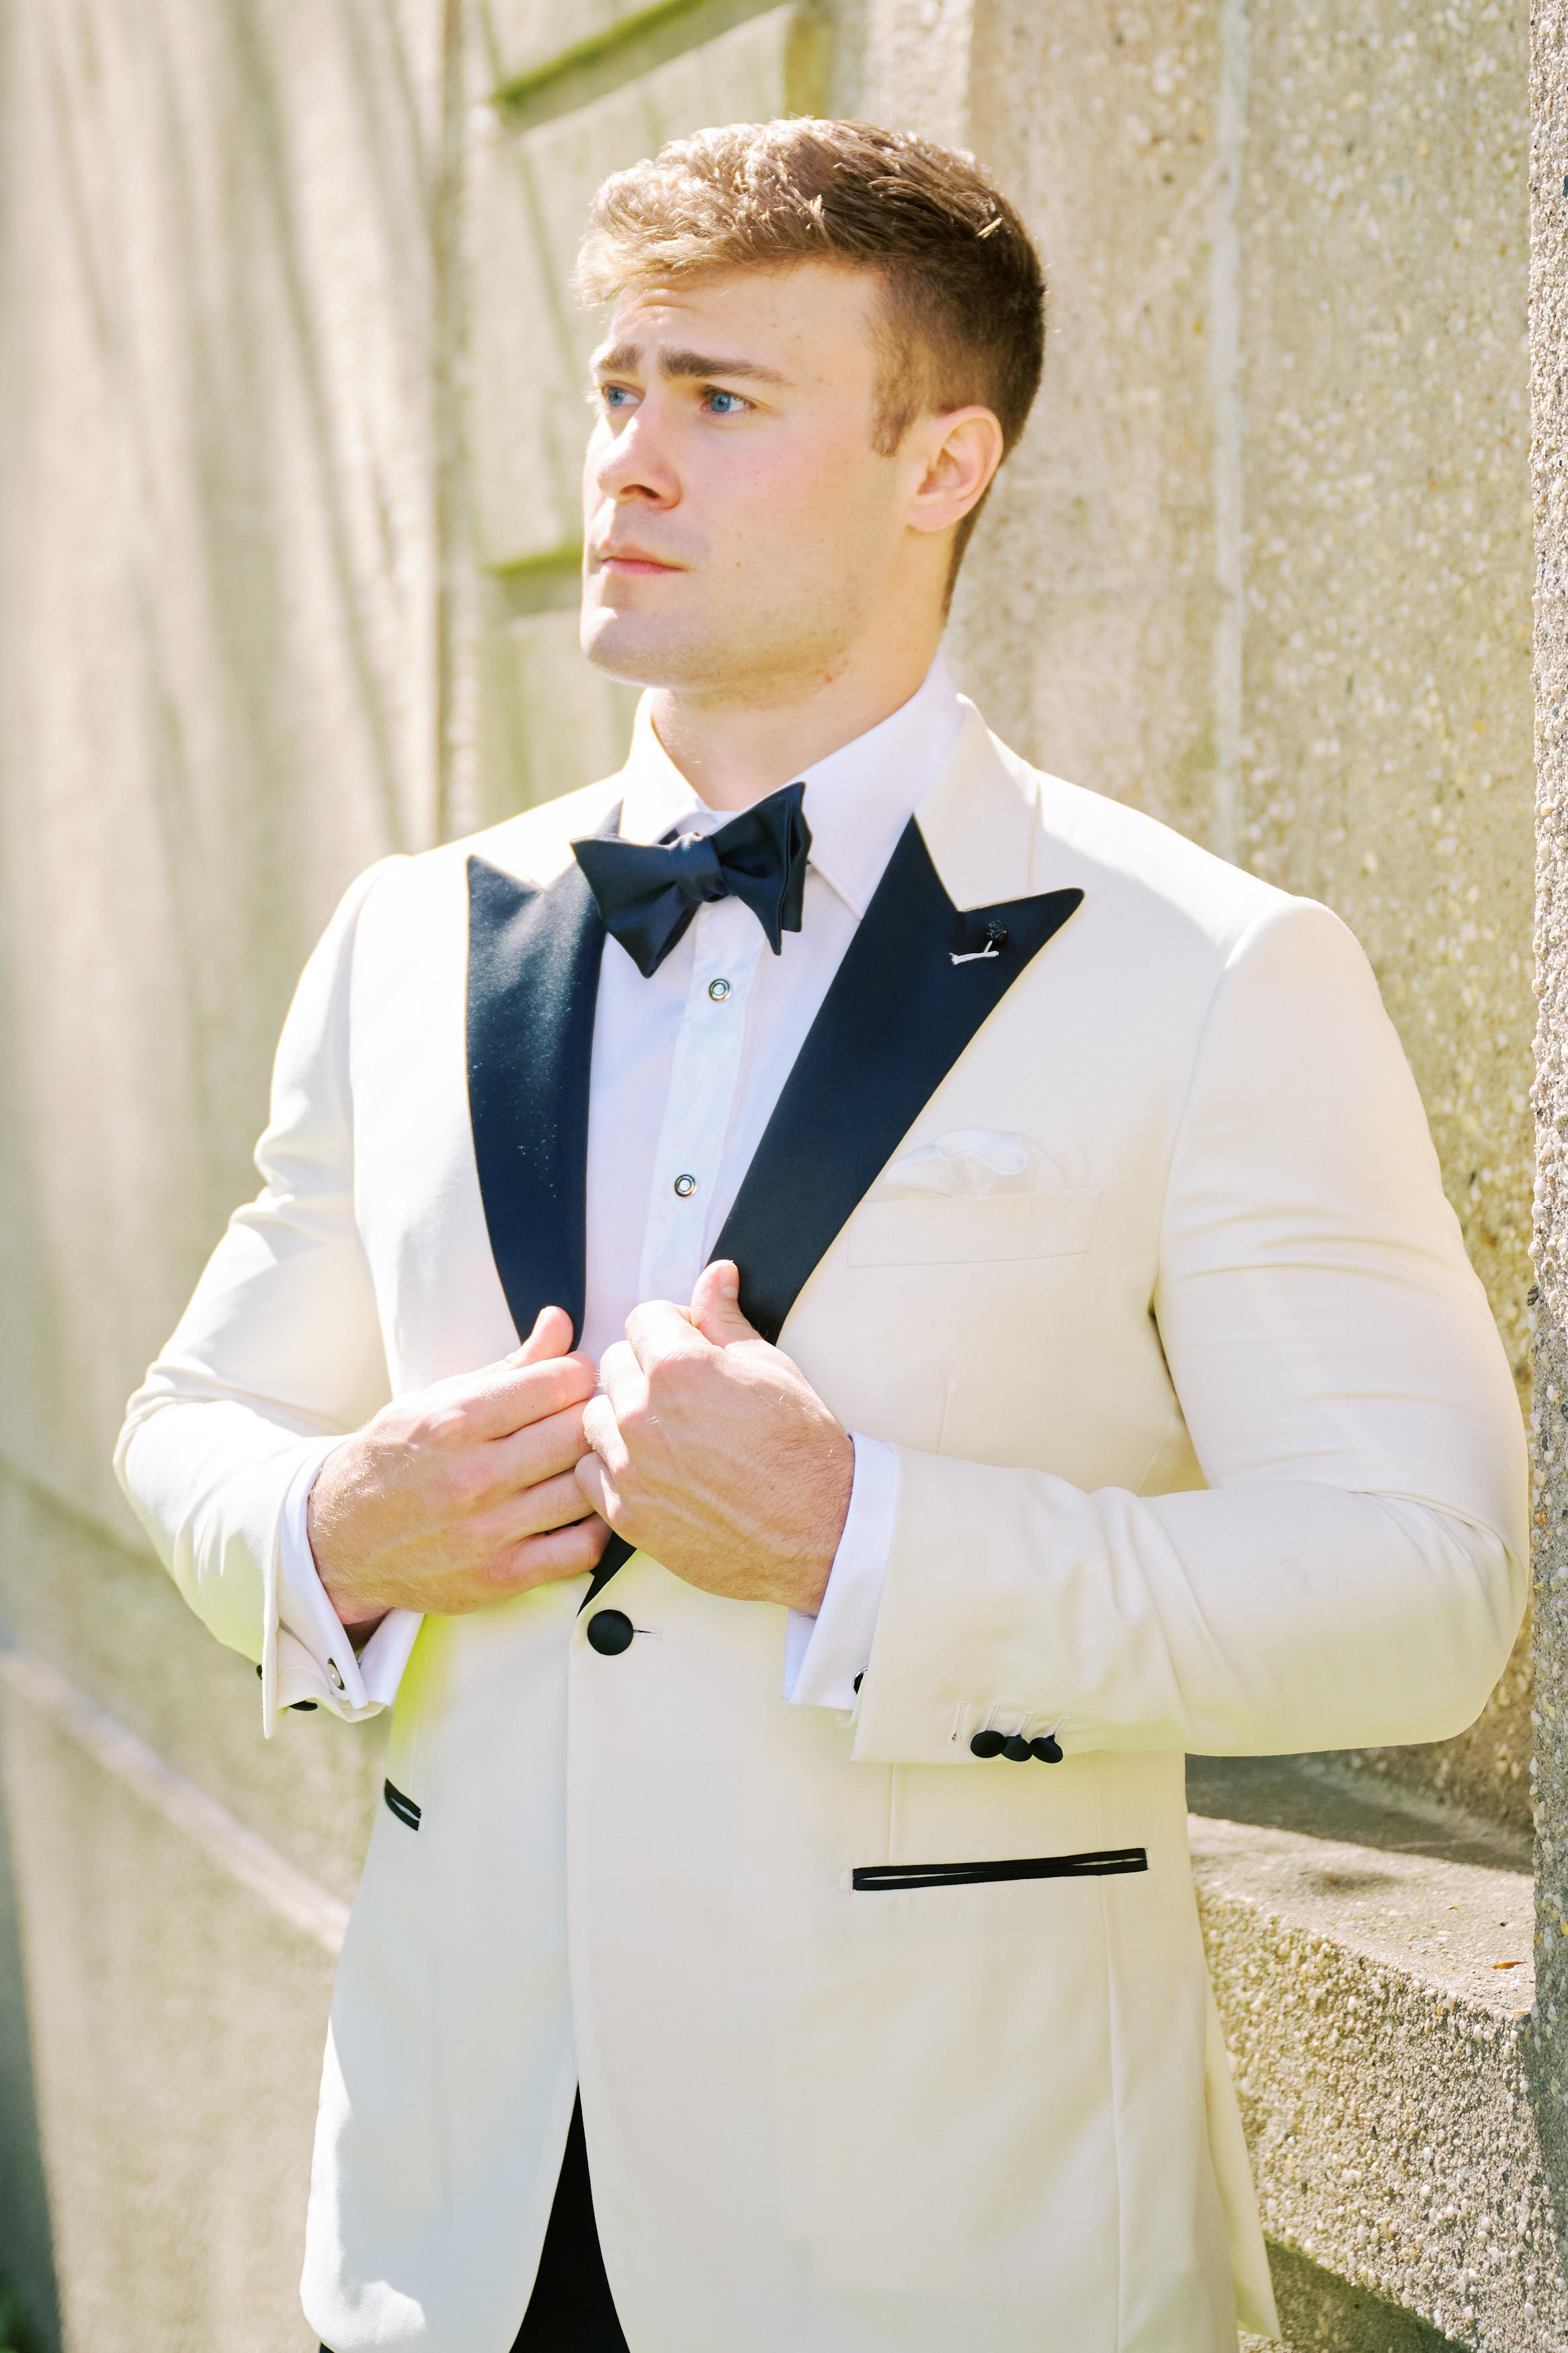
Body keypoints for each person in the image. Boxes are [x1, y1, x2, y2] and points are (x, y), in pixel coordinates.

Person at [116, 117, 1526, 2353]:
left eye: (722, 397)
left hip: (950, 2251)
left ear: (943, 464)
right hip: (440, 2237)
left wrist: (864, 1538)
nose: (630, 458)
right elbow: (191, 1420)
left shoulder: (1212, 971)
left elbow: (1420, 1592)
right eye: (618, 387)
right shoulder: (406, 936)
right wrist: (330, 1524)